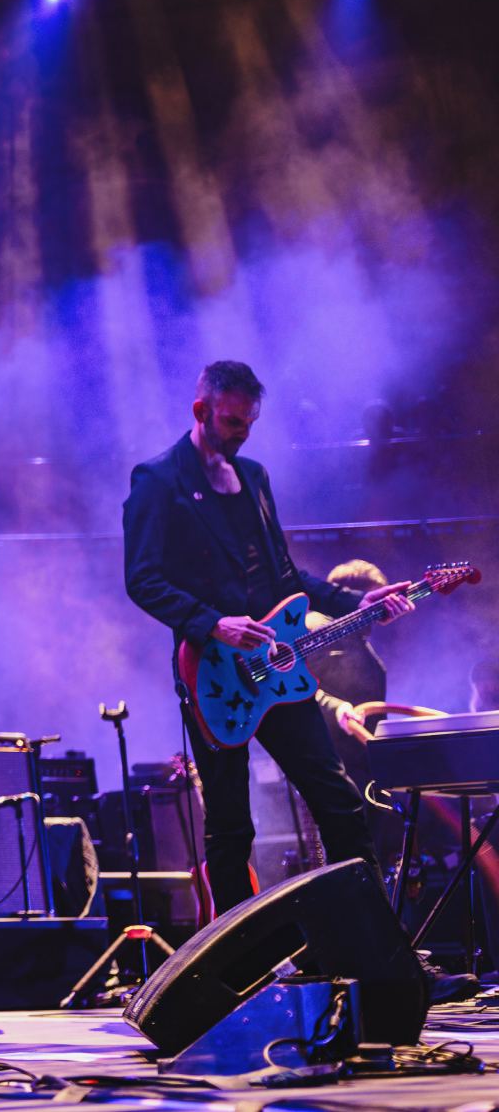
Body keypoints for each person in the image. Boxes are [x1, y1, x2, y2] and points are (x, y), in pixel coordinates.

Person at [123, 361, 414, 919]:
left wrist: (356, 604)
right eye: (232, 421)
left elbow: (286, 579)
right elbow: (142, 579)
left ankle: (373, 939)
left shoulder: (253, 478)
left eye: (249, 422)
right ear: (200, 411)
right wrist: (212, 623)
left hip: (278, 668)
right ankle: (238, 965)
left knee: (337, 799)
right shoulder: (158, 480)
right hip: (214, 675)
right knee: (232, 824)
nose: (241, 433)